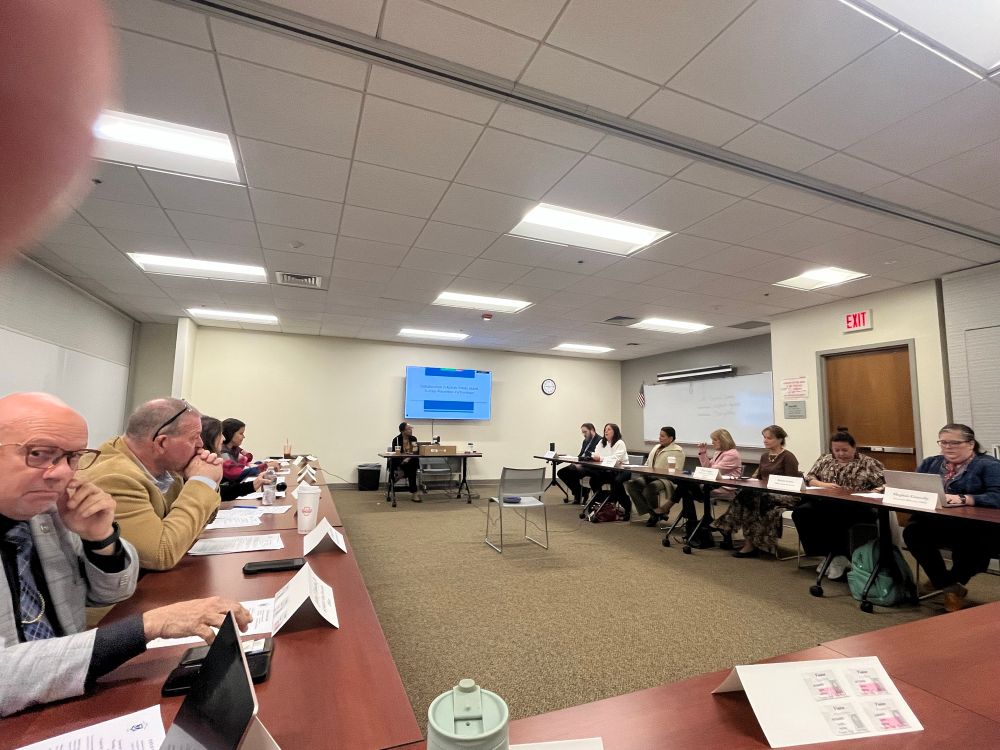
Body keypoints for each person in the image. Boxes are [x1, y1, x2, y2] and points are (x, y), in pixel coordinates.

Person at [0, 392, 252, 717]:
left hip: (68, 692)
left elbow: (113, 590)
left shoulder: (45, 510)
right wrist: (150, 625)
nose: (62, 473)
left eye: (73, 457)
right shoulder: (108, 477)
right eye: (39, 454)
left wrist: (101, 539)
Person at [80, 398, 224, 571]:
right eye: (194, 438)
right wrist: (202, 482)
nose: (201, 444)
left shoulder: (167, 465)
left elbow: (195, 527)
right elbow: (160, 555)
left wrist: (210, 482)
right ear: (162, 443)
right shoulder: (115, 478)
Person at [902, 424, 1000, 612]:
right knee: (913, 531)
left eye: (954, 443)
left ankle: (946, 583)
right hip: (939, 522)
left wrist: (966, 498)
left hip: (976, 527)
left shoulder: (988, 465)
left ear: (970, 444)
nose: (948, 447)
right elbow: (914, 486)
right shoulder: (931, 463)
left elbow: (997, 496)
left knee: (972, 543)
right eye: (943, 442)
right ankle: (949, 585)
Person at [792, 428, 885, 580]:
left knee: (834, 517)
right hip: (826, 501)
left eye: (845, 450)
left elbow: (886, 484)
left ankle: (840, 555)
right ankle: (827, 553)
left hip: (857, 506)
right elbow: (810, 477)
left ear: (854, 447)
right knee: (801, 513)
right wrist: (823, 485)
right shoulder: (826, 459)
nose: (841, 453)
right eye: (837, 450)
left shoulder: (868, 463)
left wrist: (872, 492)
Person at [715, 424, 799, 558]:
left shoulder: (788, 457)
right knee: (747, 497)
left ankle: (728, 525)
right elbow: (759, 476)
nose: (765, 440)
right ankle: (748, 541)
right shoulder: (764, 456)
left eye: (769, 438)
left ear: (780, 439)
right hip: (763, 493)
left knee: (750, 498)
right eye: (764, 437)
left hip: (784, 494)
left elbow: (793, 482)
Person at [670, 428, 743, 546]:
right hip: (711, 485)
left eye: (715, 440)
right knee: (684, 487)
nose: (712, 442)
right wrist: (703, 452)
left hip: (725, 488)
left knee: (684, 486)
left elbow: (712, 471)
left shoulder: (732, 454)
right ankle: (694, 522)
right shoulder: (718, 452)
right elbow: (707, 467)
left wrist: (705, 468)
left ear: (723, 440)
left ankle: (692, 522)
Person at [201, 417, 275, 502]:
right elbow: (234, 473)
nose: (224, 438)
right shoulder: (222, 454)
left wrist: (254, 484)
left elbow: (220, 491)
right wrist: (262, 466)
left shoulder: (234, 449)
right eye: (220, 434)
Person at [624, 427, 685, 526]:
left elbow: (677, 470)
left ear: (671, 438)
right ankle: (654, 513)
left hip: (665, 479)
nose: (659, 438)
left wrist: (658, 474)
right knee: (632, 484)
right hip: (649, 476)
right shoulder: (656, 447)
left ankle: (655, 515)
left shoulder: (677, 450)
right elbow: (648, 463)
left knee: (650, 488)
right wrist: (643, 470)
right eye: (659, 435)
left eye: (662, 436)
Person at [583, 423, 629, 519]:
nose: (606, 431)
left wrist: (600, 458)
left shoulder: (620, 443)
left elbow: (615, 459)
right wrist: (597, 458)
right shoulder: (601, 442)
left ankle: (626, 506)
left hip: (622, 470)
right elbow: (595, 454)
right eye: (605, 429)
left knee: (617, 482)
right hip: (607, 470)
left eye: (608, 429)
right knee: (594, 480)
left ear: (615, 432)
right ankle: (600, 501)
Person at [220, 418, 275, 483]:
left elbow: (248, 460)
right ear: (230, 434)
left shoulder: (235, 449)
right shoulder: (223, 453)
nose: (243, 437)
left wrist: (262, 464)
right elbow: (234, 472)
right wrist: (265, 466)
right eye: (241, 433)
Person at [558, 423, 601, 504]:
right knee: (561, 472)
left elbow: (594, 457)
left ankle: (578, 495)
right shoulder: (585, 441)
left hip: (591, 466)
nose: (584, 434)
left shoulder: (600, 440)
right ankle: (583, 491)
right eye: (583, 432)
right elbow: (581, 454)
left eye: (585, 432)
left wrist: (579, 461)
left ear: (592, 430)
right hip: (581, 464)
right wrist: (573, 459)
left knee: (573, 470)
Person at [390, 422, 421, 503]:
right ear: (403, 430)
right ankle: (414, 493)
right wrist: (403, 460)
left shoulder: (413, 438)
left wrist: (408, 458)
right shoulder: (396, 439)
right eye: (409, 429)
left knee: (413, 462)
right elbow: (394, 454)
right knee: (412, 470)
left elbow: (415, 451)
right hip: (399, 461)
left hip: (410, 461)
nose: (411, 430)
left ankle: (400, 475)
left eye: (411, 428)